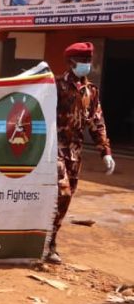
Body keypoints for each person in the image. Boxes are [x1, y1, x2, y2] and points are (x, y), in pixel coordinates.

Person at [47, 42, 115, 264]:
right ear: (70, 62)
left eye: (88, 61)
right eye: (82, 61)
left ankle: (50, 241)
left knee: (66, 200)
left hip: (75, 152)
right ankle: (45, 241)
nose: (86, 64)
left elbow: (97, 122)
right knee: (63, 192)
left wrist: (105, 151)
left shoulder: (91, 91)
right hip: (54, 147)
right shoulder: (55, 85)